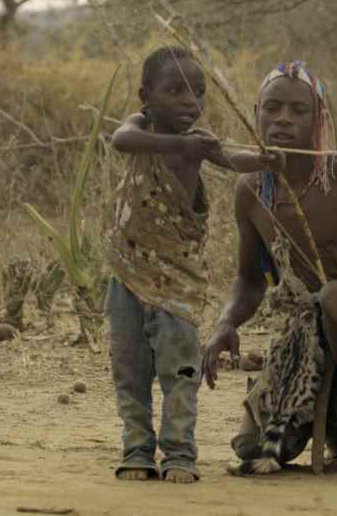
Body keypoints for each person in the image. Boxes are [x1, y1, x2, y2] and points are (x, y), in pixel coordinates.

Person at [202, 61, 337, 483]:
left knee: (336, 298)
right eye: (272, 108)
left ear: (318, 117)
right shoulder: (251, 189)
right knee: (255, 450)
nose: (283, 118)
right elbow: (250, 280)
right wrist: (225, 322)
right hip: (304, 336)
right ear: (256, 113)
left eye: (298, 110)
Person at [106, 45, 278, 484]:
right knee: (130, 370)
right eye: (174, 90)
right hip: (127, 277)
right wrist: (182, 145)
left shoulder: (198, 144)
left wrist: (263, 160)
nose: (190, 101)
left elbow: (233, 160)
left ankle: (180, 454)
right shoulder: (139, 129)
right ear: (146, 95)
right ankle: (138, 450)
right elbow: (120, 141)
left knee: (180, 372)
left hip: (177, 285)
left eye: (198, 92)